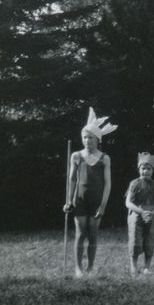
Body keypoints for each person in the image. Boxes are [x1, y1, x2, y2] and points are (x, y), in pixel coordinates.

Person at [63, 107, 117, 278]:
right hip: (79, 199)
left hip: (96, 200)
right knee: (80, 233)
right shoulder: (76, 156)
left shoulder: (104, 158)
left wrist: (102, 205)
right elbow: (72, 179)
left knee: (93, 234)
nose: (87, 141)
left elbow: (108, 183)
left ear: (97, 139)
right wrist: (69, 200)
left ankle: (91, 267)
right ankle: (78, 268)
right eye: (85, 137)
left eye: (91, 138)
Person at [125, 152, 154, 276]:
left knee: (150, 239)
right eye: (143, 168)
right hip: (136, 214)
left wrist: (151, 212)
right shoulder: (134, 184)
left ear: (152, 170)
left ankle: (147, 266)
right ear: (139, 169)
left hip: (152, 214)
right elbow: (128, 202)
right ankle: (133, 265)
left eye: (148, 169)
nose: (145, 171)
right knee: (135, 239)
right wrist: (141, 211)